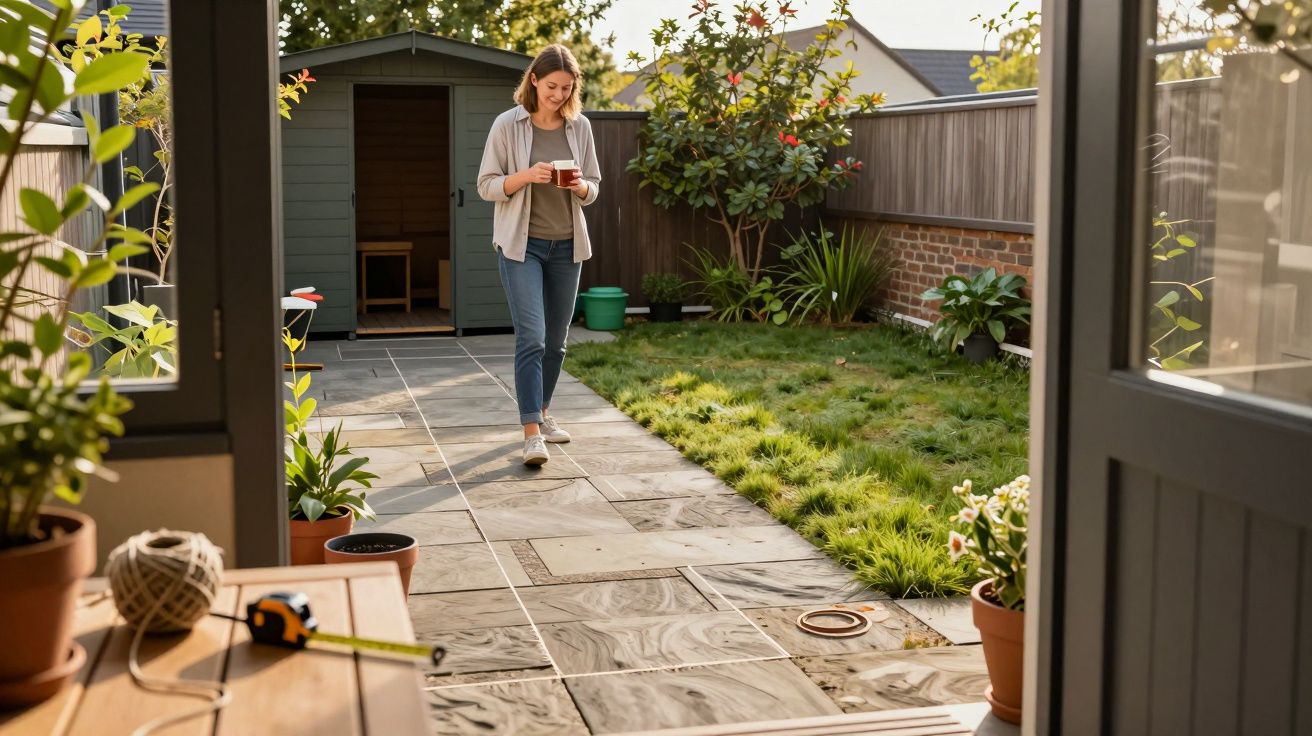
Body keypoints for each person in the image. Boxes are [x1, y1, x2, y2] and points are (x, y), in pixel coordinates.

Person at [476, 44, 601, 466]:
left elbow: (594, 188)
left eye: (567, 88)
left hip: (568, 247)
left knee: (557, 342)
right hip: (521, 246)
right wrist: (525, 176)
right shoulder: (506, 125)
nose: (559, 95)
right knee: (532, 336)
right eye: (551, 87)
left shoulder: (579, 126)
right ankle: (531, 432)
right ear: (533, 80)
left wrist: (579, 186)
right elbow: (486, 185)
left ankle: (545, 413)